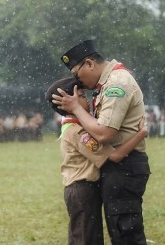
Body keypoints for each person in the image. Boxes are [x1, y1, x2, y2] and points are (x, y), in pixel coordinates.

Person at [52, 40, 151, 245]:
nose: (79, 83)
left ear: (89, 64)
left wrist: (77, 108)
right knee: (113, 232)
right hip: (114, 167)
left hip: (125, 166)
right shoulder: (106, 85)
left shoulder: (116, 83)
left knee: (125, 233)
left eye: (77, 75)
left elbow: (104, 134)